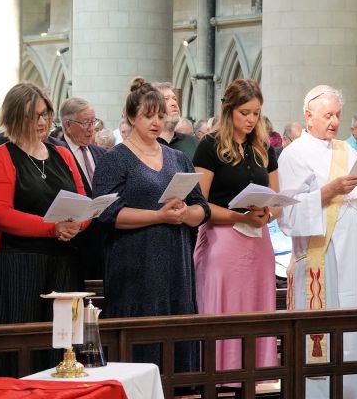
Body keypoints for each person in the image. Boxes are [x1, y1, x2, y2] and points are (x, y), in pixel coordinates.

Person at [278, 85, 357, 398]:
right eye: (328, 115)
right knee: (323, 338)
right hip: (322, 258)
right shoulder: (293, 154)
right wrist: (329, 191)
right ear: (308, 115)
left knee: (355, 331)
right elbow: (286, 212)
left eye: (338, 115)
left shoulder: (346, 150)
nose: (334, 121)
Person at [92, 77, 210, 368]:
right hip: (135, 263)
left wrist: (184, 214)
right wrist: (159, 216)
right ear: (131, 117)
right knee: (139, 341)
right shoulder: (115, 159)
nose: (156, 122)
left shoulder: (178, 158)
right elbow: (108, 213)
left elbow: (201, 207)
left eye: (160, 115)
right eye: (148, 116)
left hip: (175, 263)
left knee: (176, 341)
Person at [0, 82, 90, 332]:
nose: (42, 122)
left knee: (63, 340)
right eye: (33, 116)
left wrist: (78, 224)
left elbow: (83, 200)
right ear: (14, 117)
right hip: (20, 262)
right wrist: (52, 228)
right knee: (21, 338)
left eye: (45, 114)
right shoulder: (1, 155)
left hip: (64, 259)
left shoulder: (62, 154)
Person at [192, 78, 279, 371]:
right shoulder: (209, 145)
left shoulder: (264, 147)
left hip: (258, 239)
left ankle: (257, 375)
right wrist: (240, 216)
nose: (251, 119)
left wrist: (269, 213)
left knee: (258, 308)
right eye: (245, 113)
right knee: (224, 310)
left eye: (256, 113)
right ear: (229, 111)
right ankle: (219, 376)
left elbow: (276, 200)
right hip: (222, 240)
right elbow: (200, 203)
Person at [58, 97, 106, 197]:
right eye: (85, 123)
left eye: (93, 121)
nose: (91, 128)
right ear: (68, 125)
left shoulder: (102, 153)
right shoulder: (56, 155)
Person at [153, 81, 199, 160]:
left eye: (175, 99)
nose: (174, 103)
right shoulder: (146, 143)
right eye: (166, 99)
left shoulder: (194, 143)